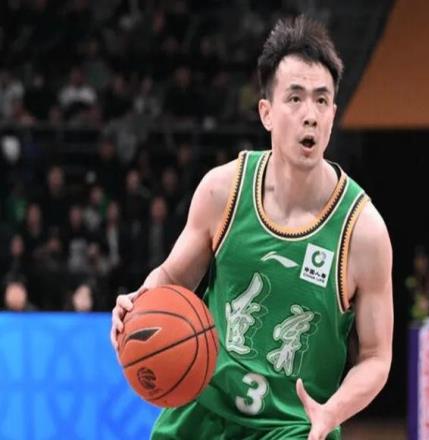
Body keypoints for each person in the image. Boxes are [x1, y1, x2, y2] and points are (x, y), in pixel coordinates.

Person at [110, 15, 393, 440]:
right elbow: (171, 277)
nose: (310, 115)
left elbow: (375, 356)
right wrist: (137, 307)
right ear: (266, 112)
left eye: (321, 101)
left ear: (334, 114)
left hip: (293, 427)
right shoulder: (222, 191)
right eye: (295, 98)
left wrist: (331, 412)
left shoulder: (363, 232)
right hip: (204, 413)